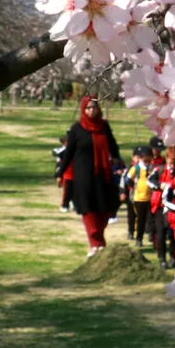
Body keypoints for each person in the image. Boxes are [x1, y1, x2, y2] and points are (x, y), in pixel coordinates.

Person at [54, 97, 122, 256]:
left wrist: (117, 159)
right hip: (83, 175)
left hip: (103, 172)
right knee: (88, 207)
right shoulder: (76, 129)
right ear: (83, 110)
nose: (92, 110)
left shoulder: (104, 126)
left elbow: (112, 145)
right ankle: (96, 243)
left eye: (94, 107)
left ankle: (99, 237)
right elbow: (68, 153)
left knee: (106, 207)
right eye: (88, 108)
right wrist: (60, 172)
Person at [149, 146, 175, 271]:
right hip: (160, 205)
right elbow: (149, 181)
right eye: (171, 160)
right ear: (166, 158)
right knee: (160, 233)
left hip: (173, 208)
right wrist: (160, 185)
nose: (173, 163)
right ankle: (161, 258)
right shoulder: (159, 169)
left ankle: (172, 256)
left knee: (173, 235)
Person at [124, 147, 155, 244]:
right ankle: (139, 239)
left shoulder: (152, 168)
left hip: (150, 198)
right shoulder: (136, 168)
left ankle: (151, 236)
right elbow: (127, 178)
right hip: (139, 198)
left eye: (149, 159)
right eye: (145, 159)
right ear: (141, 159)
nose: (147, 162)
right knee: (140, 219)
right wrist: (133, 186)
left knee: (150, 219)